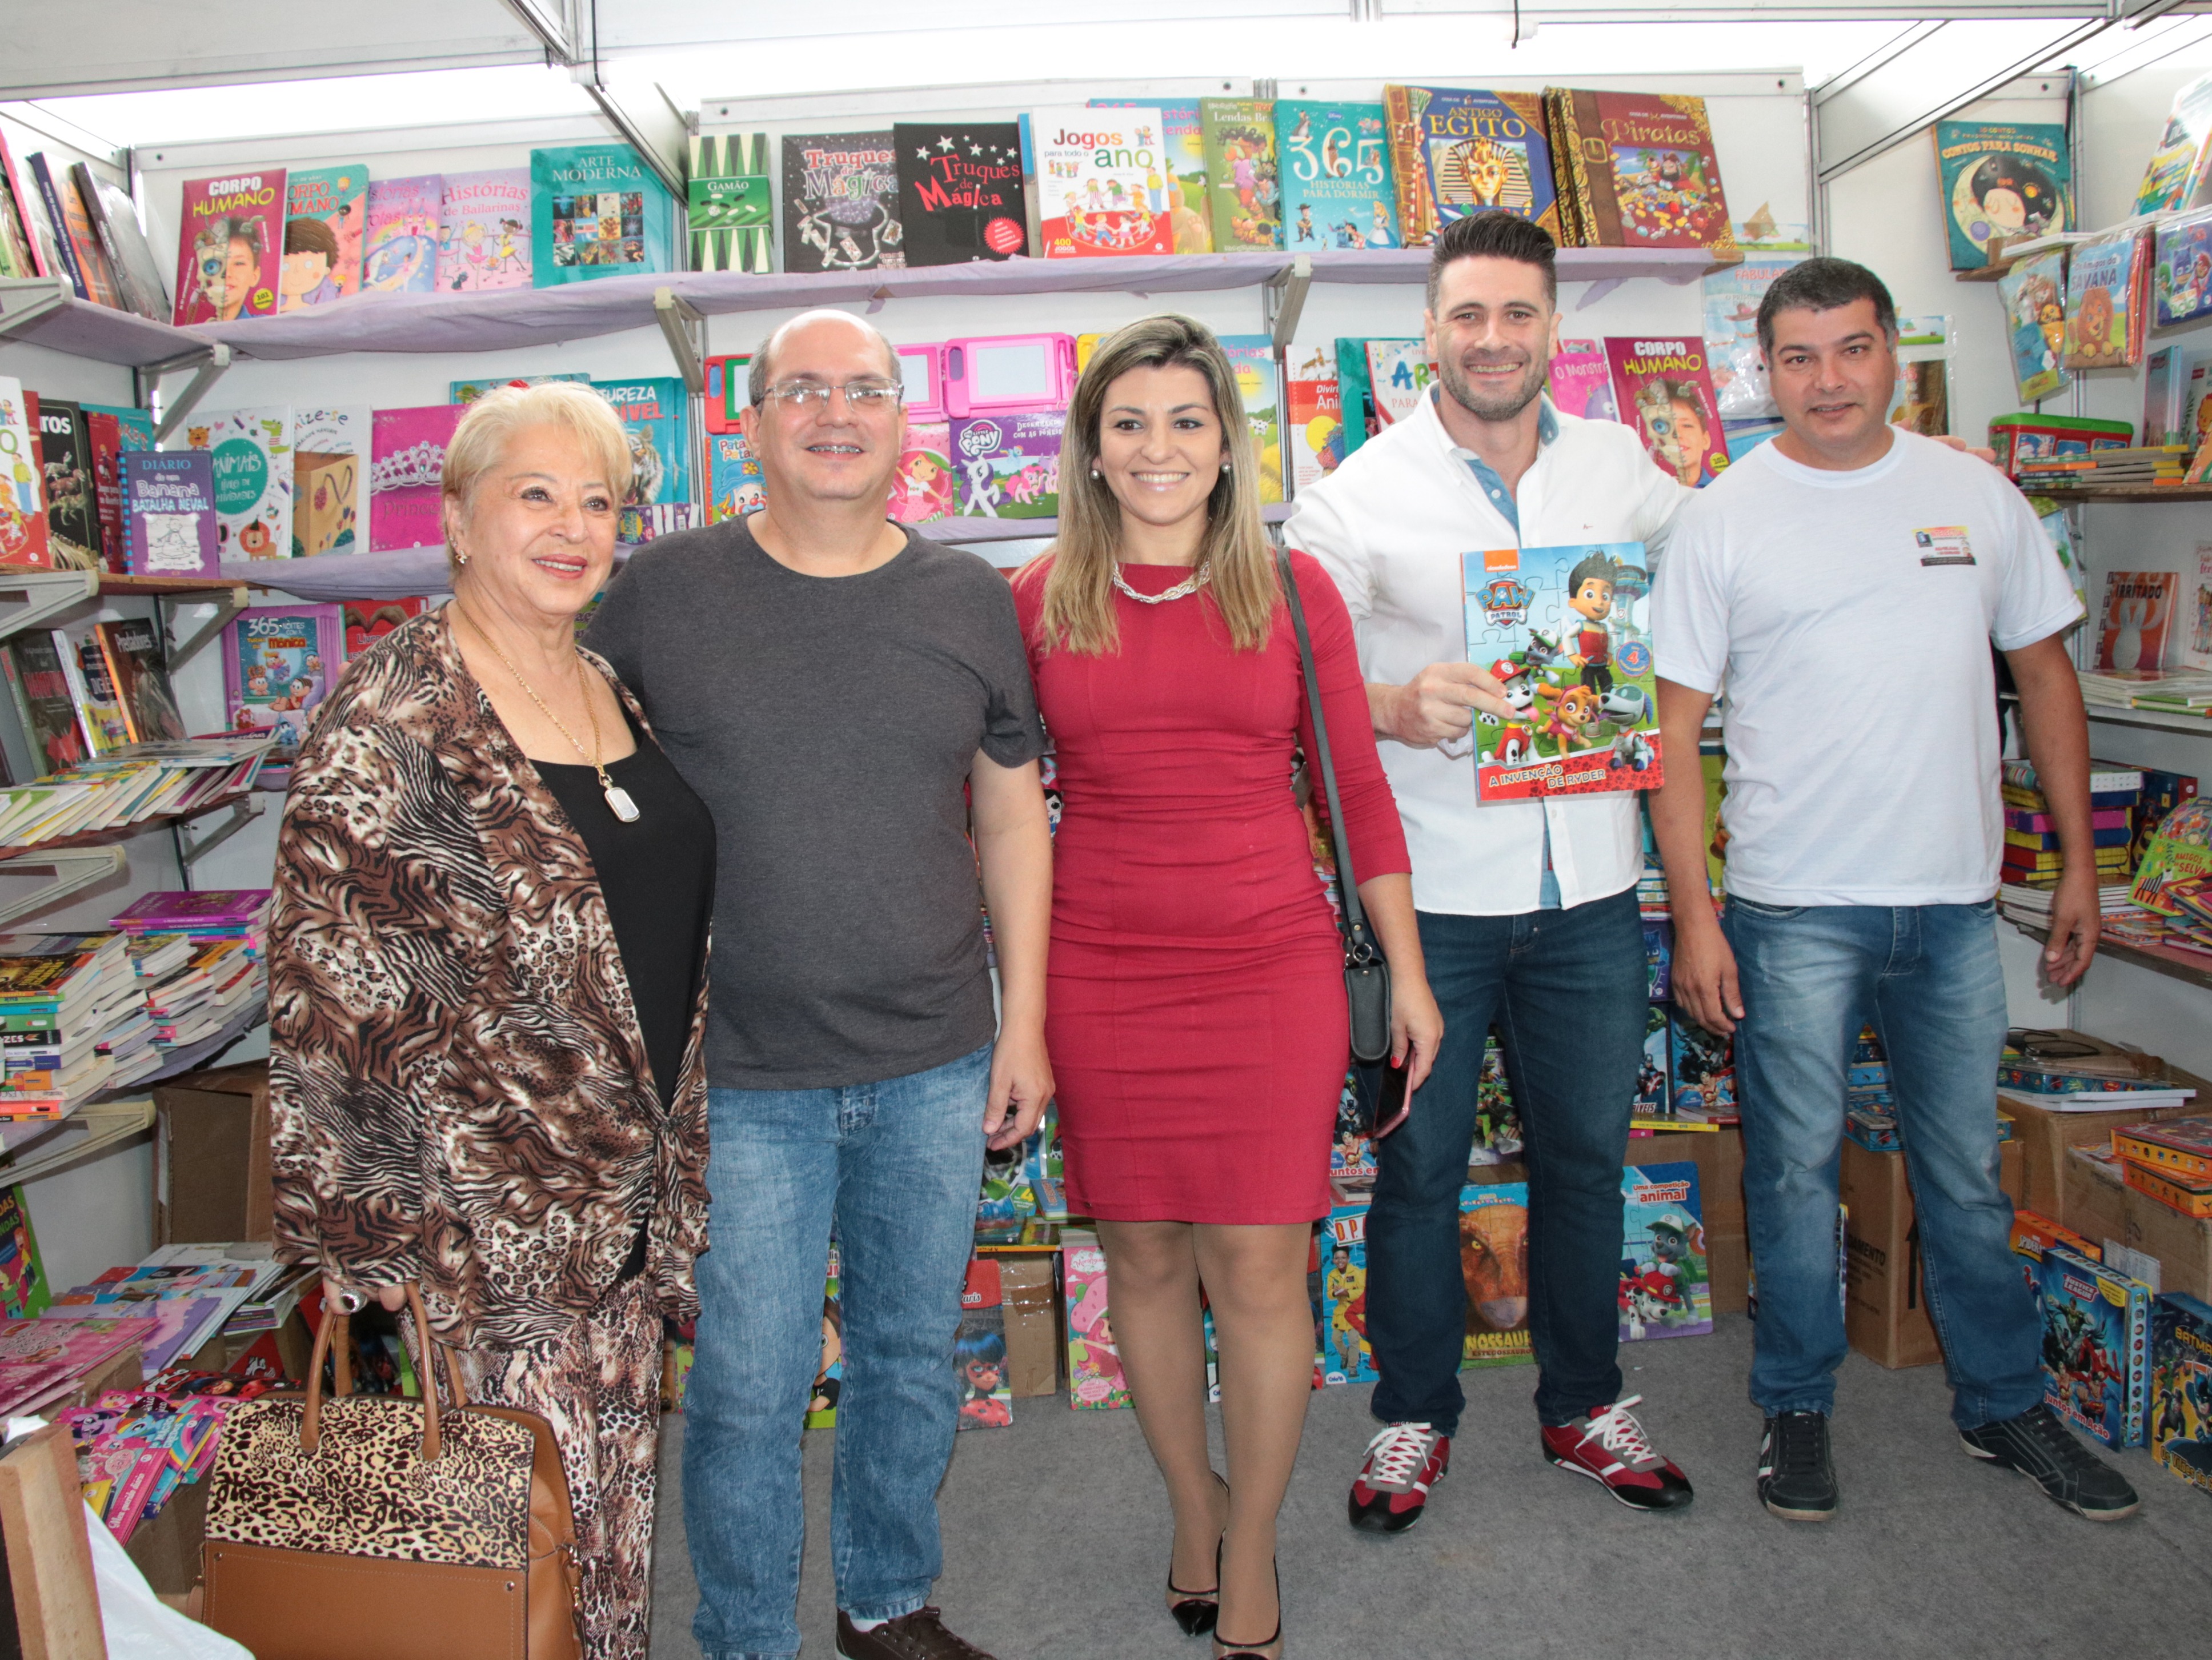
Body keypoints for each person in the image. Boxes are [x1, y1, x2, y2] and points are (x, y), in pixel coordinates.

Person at [586, 308, 1053, 1660]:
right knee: (748, 1384)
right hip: (739, 1072)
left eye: (864, 389)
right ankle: (745, 1636)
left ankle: (886, 1601)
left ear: (905, 422)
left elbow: (1012, 815)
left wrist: (1023, 1020)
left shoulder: (968, 598)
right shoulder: (662, 593)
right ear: (751, 422)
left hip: (935, 1055)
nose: (834, 413)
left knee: (910, 1358)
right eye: (801, 389)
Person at [1646, 256, 2139, 1525]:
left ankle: (2003, 1401)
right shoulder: (1722, 517)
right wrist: (1696, 916)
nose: (1828, 379)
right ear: (1764, 372)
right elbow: (1672, 732)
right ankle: (1795, 1403)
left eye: (1852, 349)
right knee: (1794, 1177)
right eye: (1798, 357)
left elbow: (2044, 677)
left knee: (1965, 1171)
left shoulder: (1974, 494)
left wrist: (2081, 863)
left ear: (1892, 357)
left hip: (1953, 907)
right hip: (1793, 908)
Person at [1010, 316, 1440, 1660]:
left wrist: (1409, 973)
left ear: (1226, 444)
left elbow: (1354, 788)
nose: (1159, 448)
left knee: (1259, 1264)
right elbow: (1001, 810)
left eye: (1186, 421)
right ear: (1090, 449)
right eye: (1129, 422)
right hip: (1098, 967)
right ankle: (1189, 1504)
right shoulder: (1034, 599)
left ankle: (1249, 1540)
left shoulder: (1292, 589)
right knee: (1141, 1255)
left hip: (1269, 963)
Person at [267, 381, 716, 1660]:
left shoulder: (603, 681)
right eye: (537, 495)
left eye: (599, 501)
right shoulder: (392, 721)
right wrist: (371, 1252)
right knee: (516, 1572)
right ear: (459, 519)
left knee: (602, 1547)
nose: (574, 526)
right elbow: (332, 1005)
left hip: (618, 1210)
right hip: (483, 1238)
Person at [1285, 210, 1697, 1533]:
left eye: (1518, 313)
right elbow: (1294, 671)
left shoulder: (1621, 466)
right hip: (1434, 906)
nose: (1493, 338)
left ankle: (1583, 1402)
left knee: (1585, 1160)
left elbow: (1716, 561)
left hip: (1589, 896)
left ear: (1552, 328)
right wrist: (1394, 704)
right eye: (1467, 314)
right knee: (1420, 1172)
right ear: (1429, 332)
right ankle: (1413, 1414)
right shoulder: (1354, 494)